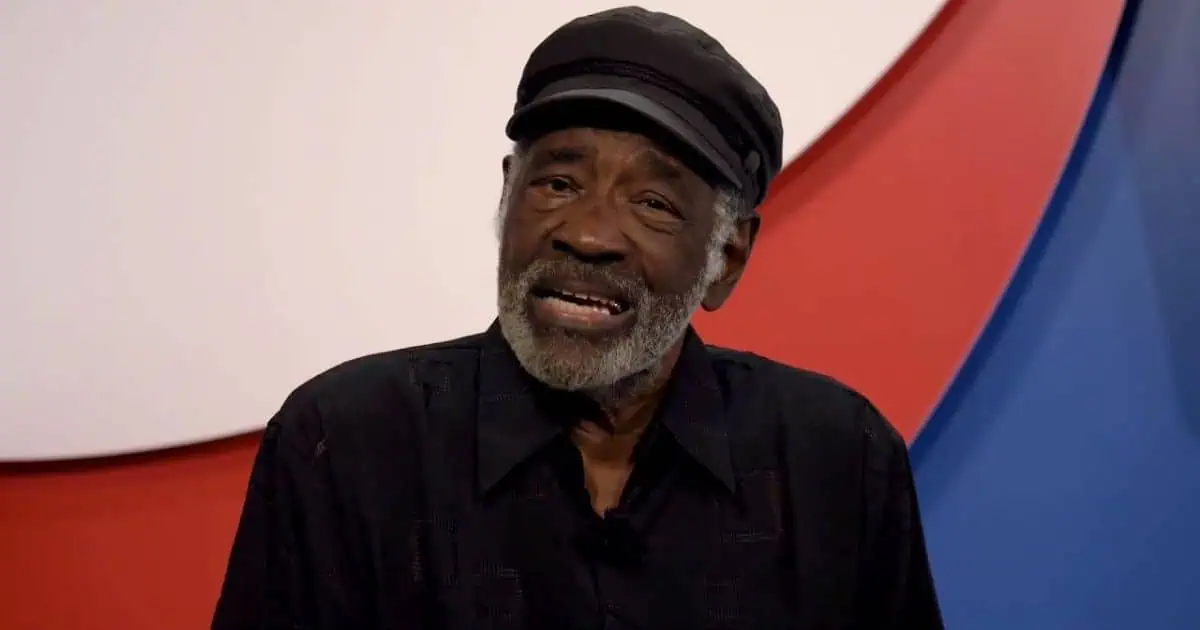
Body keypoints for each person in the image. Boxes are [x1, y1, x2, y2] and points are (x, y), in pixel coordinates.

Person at [212, 6, 943, 629]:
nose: (589, 235)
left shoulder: (836, 462)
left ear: (726, 258)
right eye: (558, 183)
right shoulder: (344, 445)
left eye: (653, 203)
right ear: (507, 195)